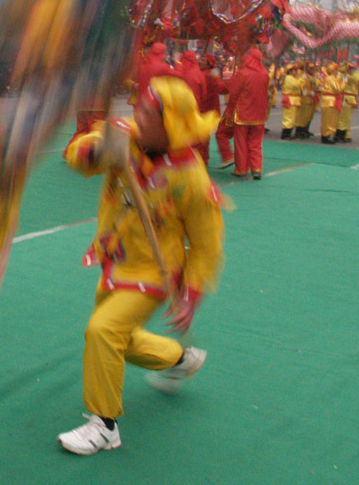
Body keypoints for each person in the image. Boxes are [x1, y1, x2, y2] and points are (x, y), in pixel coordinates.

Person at [59, 76, 224, 456]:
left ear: (171, 123)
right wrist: (96, 149)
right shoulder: (125, 138)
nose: (137, 115)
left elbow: (206, 244)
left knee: (102, 331)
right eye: (138, 107)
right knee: (120, 339)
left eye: (148, 112)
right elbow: (77, 157)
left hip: (154, 273)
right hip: (115, 260)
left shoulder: (192, 180)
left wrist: (191, 295)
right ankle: (180, 359)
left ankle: (104, 426)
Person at [227, 48, 270, 179]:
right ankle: (256, 168)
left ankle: (241, 169)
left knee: (241, 143)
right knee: (256, 143)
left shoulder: (243, 73)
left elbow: (234, 92)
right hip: (259, 115)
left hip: (243, 114)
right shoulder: (265, 73)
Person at [317, 63, 344, 145]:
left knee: (332, 119)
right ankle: (325, 136)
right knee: (328, 119)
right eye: (335, 70)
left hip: (332, 100)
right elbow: (337, 89)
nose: (337, 71)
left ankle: (327, 135)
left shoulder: (333, 78)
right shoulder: (331, 78)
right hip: (329, 101)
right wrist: (344, 83)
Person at [337, 60, 358, 143]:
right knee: (342, 118)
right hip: (345, 98)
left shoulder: (348, 76)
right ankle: (339, 135)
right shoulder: (343, 76)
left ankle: (344, 135)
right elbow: (355, 79)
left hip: (350, 99)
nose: (351, 70)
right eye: (350, 69)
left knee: (347, 118)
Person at [280, 62, 302, 140]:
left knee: (292, 118)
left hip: (293, 99)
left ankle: (288, 133)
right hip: (290, 99)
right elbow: (297, 85)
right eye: (294, 70)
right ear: (290, 71)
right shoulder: (289, 78)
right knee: (288, 117)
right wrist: (302, 79)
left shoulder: (293, 78)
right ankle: (285, 134)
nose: (296, 71)